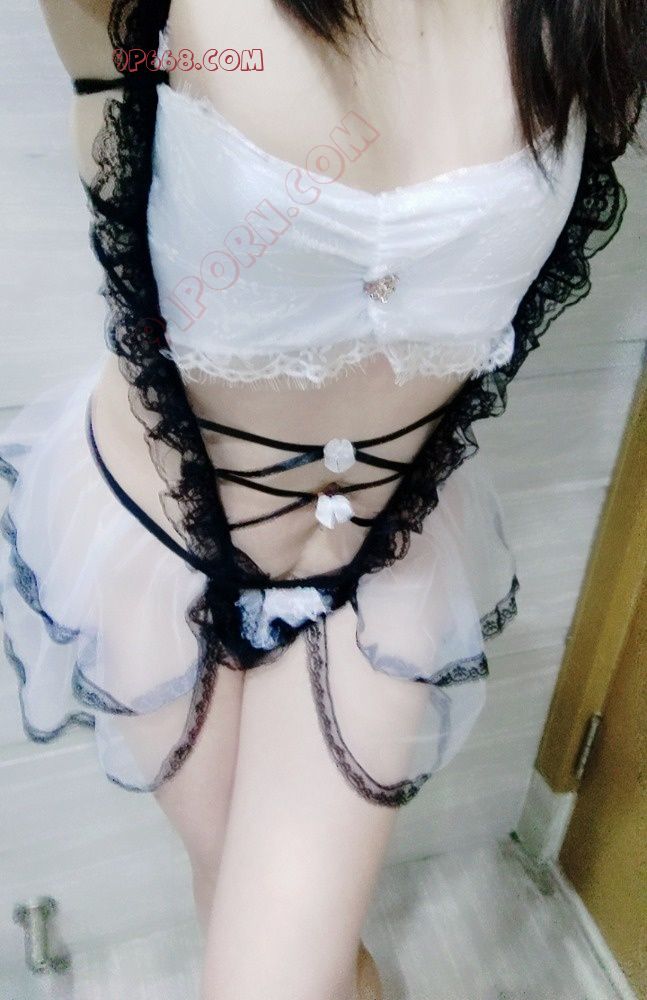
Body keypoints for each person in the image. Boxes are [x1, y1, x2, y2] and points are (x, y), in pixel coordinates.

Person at [1, 1, 644, 997]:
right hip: (158, 540)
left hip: (376, 561)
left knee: (275, 968)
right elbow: (104, 82)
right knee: (250, 913)